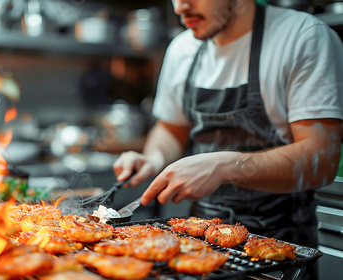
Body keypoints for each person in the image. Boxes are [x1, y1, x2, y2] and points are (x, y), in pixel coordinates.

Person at [113, 0, 343, 279]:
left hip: (282, 247)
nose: (179, 7)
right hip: (200, 241)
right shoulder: (182, 48)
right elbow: (171, 130)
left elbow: (322, 158)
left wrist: (226, 167)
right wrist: (154, 158)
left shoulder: (302, 36)